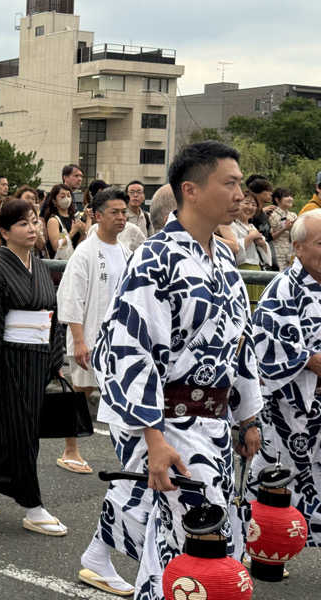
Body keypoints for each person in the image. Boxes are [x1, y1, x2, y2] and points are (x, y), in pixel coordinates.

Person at [90, 141, 263, 599]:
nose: (240, 193)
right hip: (170, 422)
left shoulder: (225, 258)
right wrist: (153, 437)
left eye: (240, 183)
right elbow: (130, 348)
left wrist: (248, 416)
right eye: (229, 183)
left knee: (189, 539)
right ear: (191, 189)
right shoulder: (154, 257)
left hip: (217, 423)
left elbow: (238, 344)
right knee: (189, 541)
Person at [0, 195, 68, 536]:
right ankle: (32, 505)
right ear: (3, 232)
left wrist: (55, 358)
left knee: (16, 429)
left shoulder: (39, 265)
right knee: (19, 433)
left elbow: (52, 316)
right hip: (7, 361)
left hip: (35, 360)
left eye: (34, 221)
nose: (32, 228)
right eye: (23, 223)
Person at [247, 209, 321, 548]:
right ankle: (259, 543)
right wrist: (309, 360)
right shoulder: (283, 289)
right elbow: (267, 346)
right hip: (289, 408)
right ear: (299, 248)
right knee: (274, 478)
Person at [57, 188, 131, 478]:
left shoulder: (125, 251)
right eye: (115, 212)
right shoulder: (85, 252)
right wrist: (78, 340)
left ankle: (128, 453)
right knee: (81, 391)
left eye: (124, 212)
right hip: (89, 335)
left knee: (122, 394)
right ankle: (70, 449)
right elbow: (72, 296)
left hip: (118, 338)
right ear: (98, 216)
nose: (121, 217)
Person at [219, 194, 272, 309]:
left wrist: (262, 244)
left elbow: (266, 257)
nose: (250, 207)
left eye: (254, 205)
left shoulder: (252, 226)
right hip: (243, 268)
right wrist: (250, 237)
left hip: (257, 268)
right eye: (246, 203)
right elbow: (234, 249)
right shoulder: (231, 225)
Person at [41, 184, 86, 259]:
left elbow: (79, 244)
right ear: (54, 201)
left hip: (73, 261)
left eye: (69, 196)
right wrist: (72, 232)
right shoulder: (54, 220)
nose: (67, 199)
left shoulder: (74, 217)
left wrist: (82, 234)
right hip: (59, 266)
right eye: (62, 196)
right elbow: (56, 246)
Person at [269, 187, 298, 270]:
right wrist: (285, 228)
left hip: (292, 254)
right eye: (286, 196)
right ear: (277, 200)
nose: (290, 198)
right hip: (278, 254)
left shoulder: (293, 215)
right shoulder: (272, 215)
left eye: (291, 196)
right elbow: (270, 237)